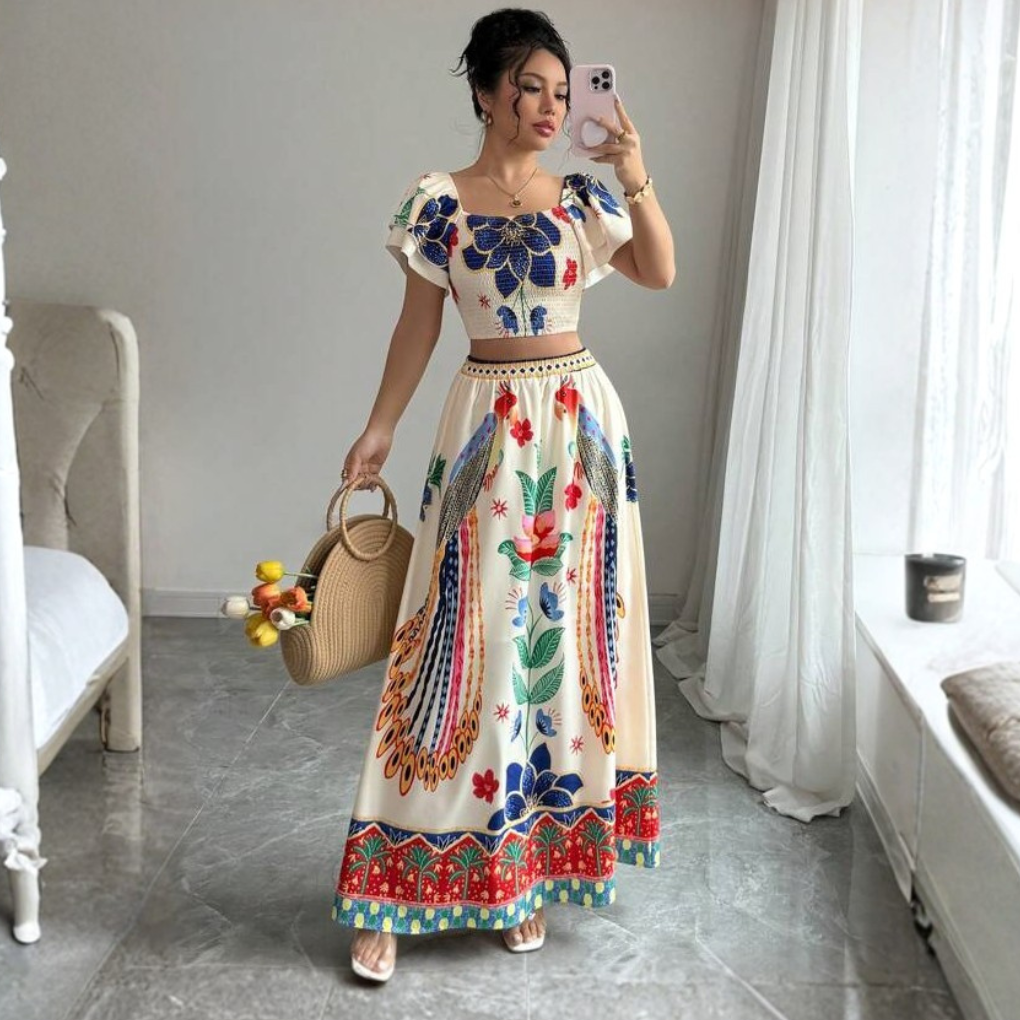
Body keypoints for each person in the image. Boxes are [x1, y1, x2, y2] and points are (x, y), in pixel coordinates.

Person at [334, 7, 675, 983]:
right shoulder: (437, 201)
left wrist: (634, 170)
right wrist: (380, 426)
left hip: (580, 430)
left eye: (563, 92)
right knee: (457, 645)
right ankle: (393, 892)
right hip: (487, 425)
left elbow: (659, 270)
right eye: (531, 87)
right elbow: (418, 326)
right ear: (486, 92)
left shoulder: (585, 195)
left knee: (562, 644)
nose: (551, 107)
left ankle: (521, 879)